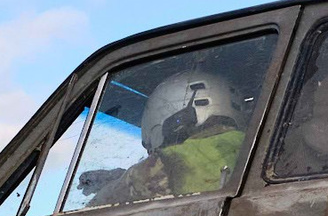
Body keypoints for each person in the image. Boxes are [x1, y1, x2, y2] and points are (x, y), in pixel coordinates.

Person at [92, 70, 247, 207]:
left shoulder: (166, 163)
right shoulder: (252, 144)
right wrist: (119, 176)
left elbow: (90, 214)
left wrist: (112, 184)